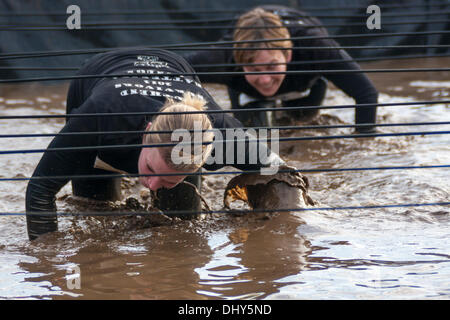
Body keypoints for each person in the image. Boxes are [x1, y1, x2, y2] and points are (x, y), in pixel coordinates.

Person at [25, 48, 287, 241]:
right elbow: (40, 190)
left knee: (181, 229)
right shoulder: (98, 116)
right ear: (147, 132)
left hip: (173, 67)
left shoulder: (223, 133)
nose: (149, 186)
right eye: (150, 170)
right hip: (97, 75)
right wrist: (47, 260)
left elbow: (283, 174)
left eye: (166, 179)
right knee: (94, 210)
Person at [184, 5, 379, 132]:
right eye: (254, 69)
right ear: (239, 60)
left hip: (302, 82)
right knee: (253, 136)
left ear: (288, 55)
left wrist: (362, 138)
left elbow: (366, 93)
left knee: (302, 123)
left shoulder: (315, 47)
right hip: (244, 88)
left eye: (272, 66)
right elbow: (171, 68)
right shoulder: (223, 58)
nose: (266, 79)